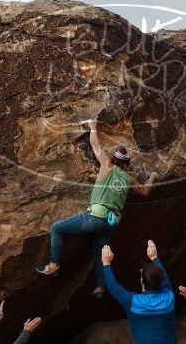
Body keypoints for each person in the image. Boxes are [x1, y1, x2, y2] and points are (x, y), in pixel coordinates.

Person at [37, 118, 159, 297]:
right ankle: (100, 287)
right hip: (110, 222)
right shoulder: (128, 179)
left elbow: (94, 143)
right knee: (100, 252)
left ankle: (53, 265)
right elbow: (146, 191)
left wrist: (93, 126)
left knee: (56, 228)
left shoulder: (107, 165)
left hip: (95, 218)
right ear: (126, 164)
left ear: (114, 160)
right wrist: (153, 176)